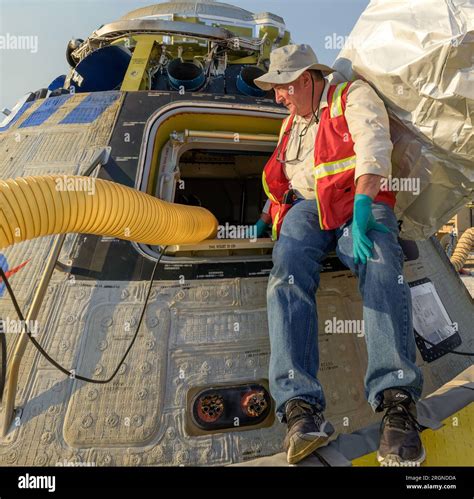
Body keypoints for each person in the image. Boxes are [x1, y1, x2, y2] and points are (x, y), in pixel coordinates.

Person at [252, 44, 424, 466]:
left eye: (284, 87)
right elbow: (287, 175)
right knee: (286, 273)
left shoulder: (352, 96)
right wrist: (264, 216)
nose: (278, 97)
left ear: (308, 79)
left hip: (356, 203)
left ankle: (397, 404)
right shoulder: (292, 122)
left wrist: (365, 205)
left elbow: (373, 145)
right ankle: (301, 411)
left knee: (381, 264)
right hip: (309, 210)